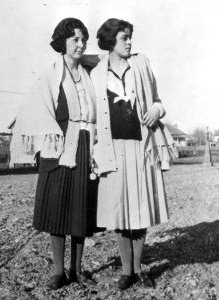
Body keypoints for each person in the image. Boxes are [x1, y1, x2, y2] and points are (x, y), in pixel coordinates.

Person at [90, 19, 177, 290]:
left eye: (130, 37)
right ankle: (126, 271)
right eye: (124, 38)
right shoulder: (96, 74)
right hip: (112, 149)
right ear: (110, 41)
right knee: (119, 211)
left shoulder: (141, 63)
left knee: (139, 210)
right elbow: (93, 118)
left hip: (140, 147)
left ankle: (138, 270)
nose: (129, 42)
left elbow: (158, 101)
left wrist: (156, 110)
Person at [19, 18, 97, 290]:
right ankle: (58, 271)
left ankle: (76, 270)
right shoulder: (51, 74)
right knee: (58, 207)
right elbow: (37, 109)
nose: (81, 44)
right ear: (62, 42)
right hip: (60, 145)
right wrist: (53, 139)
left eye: (83, 39)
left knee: (80, 207)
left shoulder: (90, 72)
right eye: (75, 39)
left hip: (86, 144)